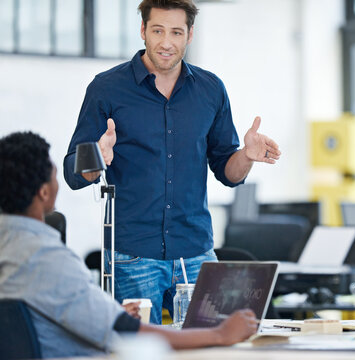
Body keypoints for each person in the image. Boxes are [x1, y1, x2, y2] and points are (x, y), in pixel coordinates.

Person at [63, 0, 281, 324]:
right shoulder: (106, 88)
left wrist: (245, 156)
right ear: (143, 31)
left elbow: (228, 172)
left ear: (189, 34)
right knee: (140, 350)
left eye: (176, 32)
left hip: (195, 253)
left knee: (211, 347)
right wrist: (98, 156)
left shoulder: (210, 90)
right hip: (132, 256)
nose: (166, 42)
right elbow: (73, 171)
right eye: (158, 30)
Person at [0, 131, 258, 358]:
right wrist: (221, 334)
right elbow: (128, 332)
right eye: (54, 175)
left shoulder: (11, 249)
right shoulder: (47, 257)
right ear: (44, 192)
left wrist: (108, 311)